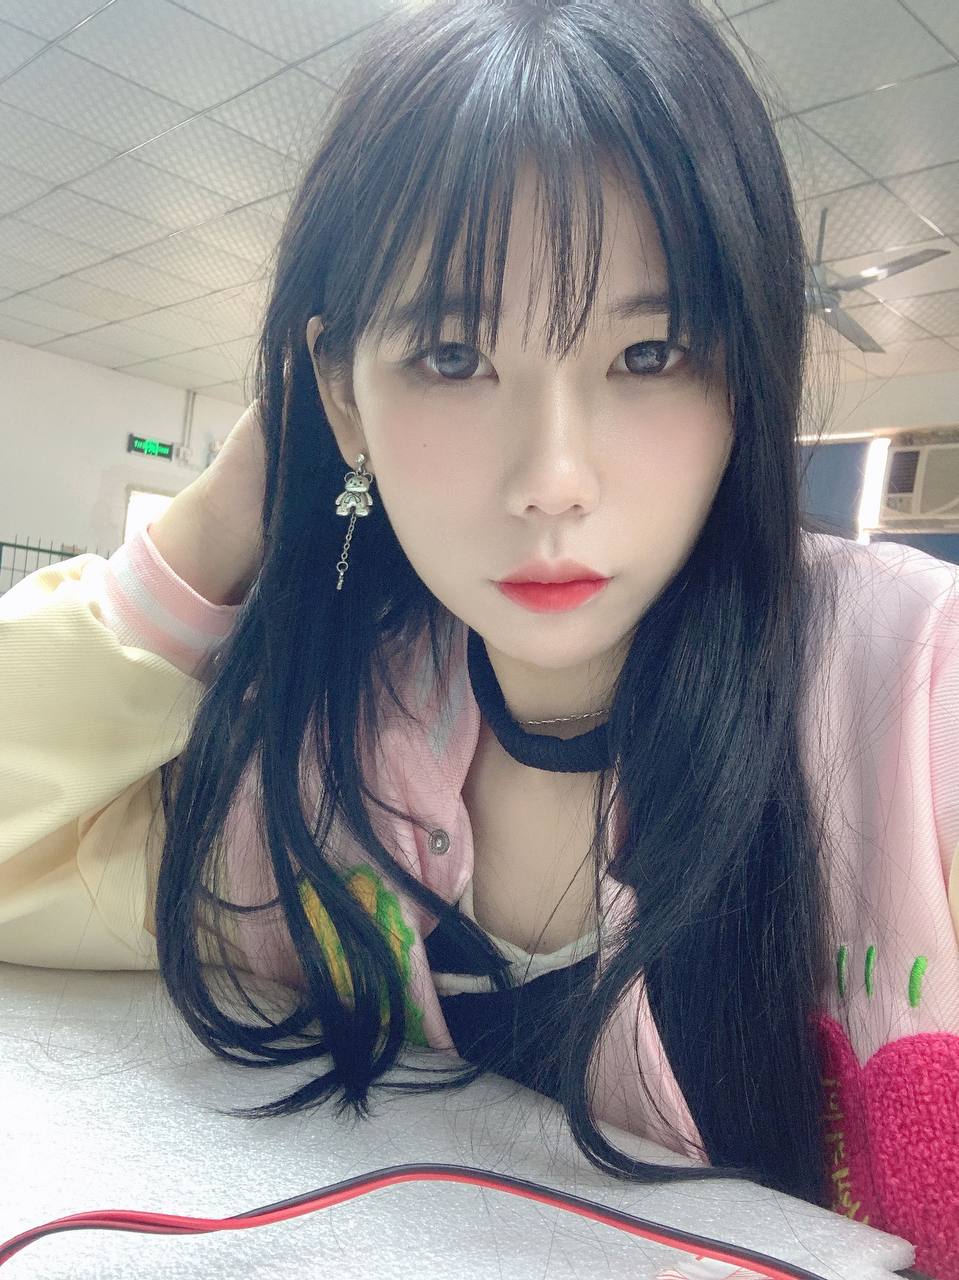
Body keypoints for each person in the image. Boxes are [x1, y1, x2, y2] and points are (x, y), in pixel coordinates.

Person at [2, 1, 958, 1275]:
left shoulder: (911, 691)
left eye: (649, 351)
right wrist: (228, 513)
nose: (552, 478)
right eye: (451, 355)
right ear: (339, 390)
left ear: (741, 371)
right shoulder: (316, 766)